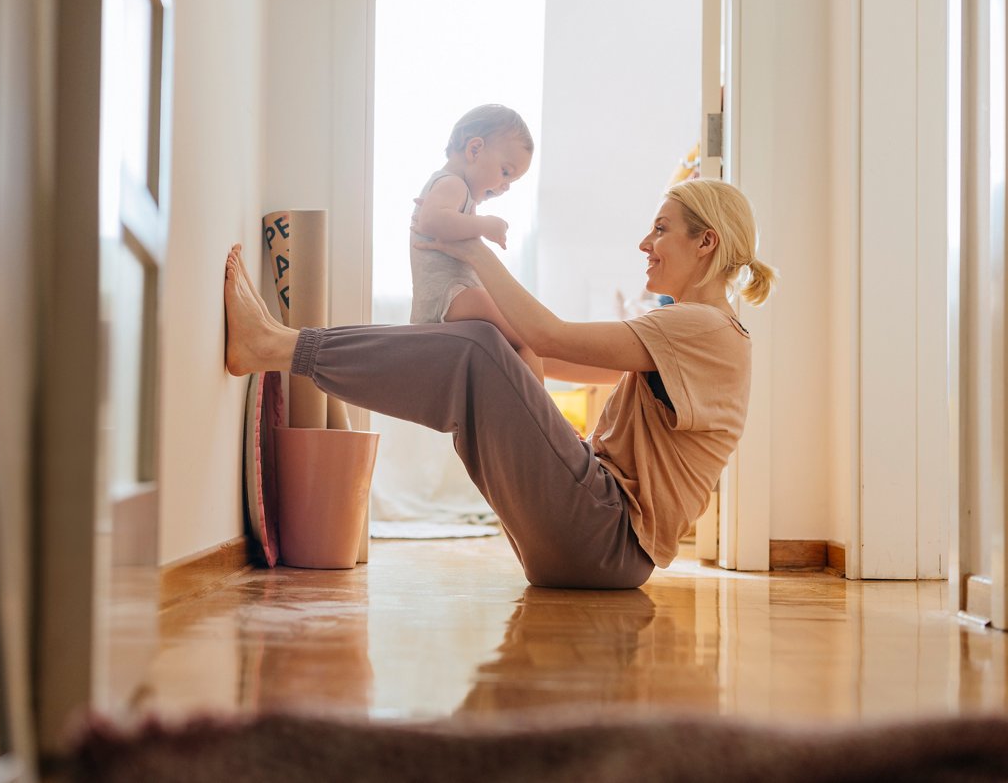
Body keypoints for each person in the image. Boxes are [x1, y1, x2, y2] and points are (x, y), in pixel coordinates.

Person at [226, 178, 775, 589]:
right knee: (491, 346)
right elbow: (548, 350)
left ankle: (276, 348)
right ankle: (285, 346)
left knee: (479, 349)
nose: (644, 243)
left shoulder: (700, 327)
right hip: (601, 547)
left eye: (660, 229)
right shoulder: (702, 333)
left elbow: (549, 334)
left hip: (603, 537)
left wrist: (469, 249)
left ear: (706, 242)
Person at [409, 103, 543, 380]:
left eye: (513, 181)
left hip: (450, 297)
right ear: (474, 149)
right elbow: (431, 221)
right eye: (506, 172)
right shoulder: (452, 184)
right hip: (451, 295)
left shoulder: (454, 188)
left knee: (518, 345)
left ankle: (537, 413)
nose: (506, 186)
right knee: (527, 338)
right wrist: (485, 225)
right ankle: (543, 418)